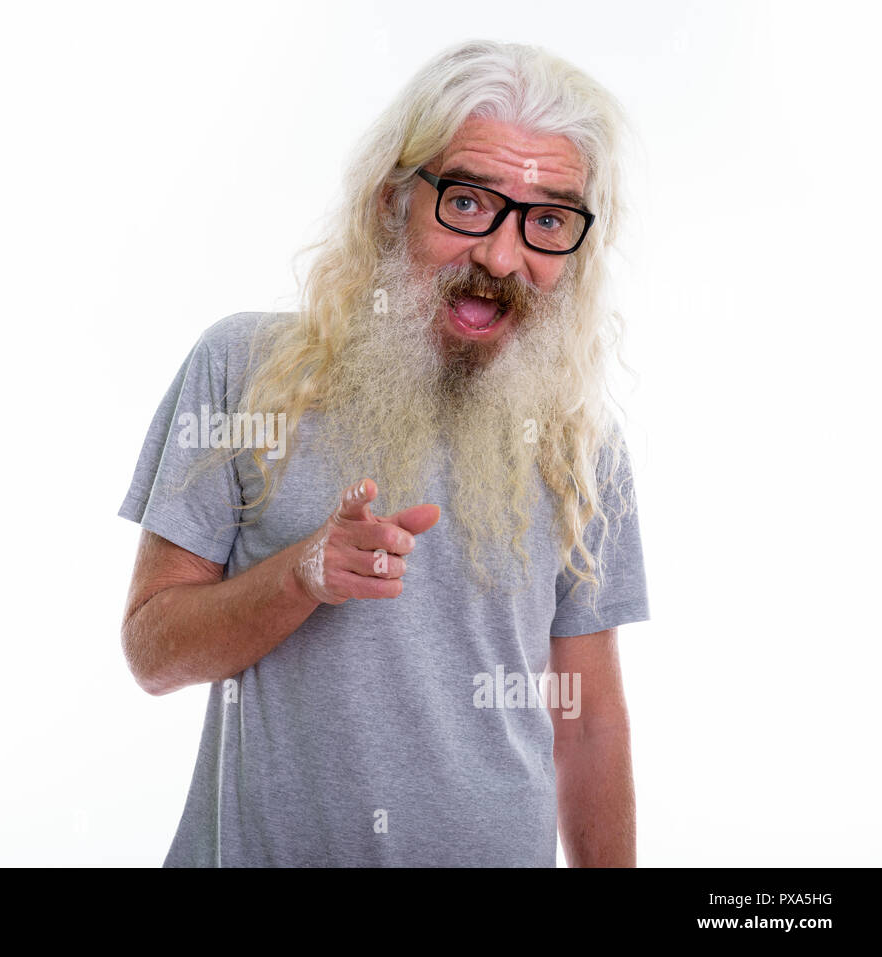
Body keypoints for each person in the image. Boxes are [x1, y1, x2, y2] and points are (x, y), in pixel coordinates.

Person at [117, 39, 649, 867]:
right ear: (390, 200)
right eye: (469, 203)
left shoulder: (580, 444)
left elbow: (586, 724)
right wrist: (304, 575)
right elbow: (152, 651)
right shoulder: (242, 372)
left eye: (547, 220)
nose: (501, 257)